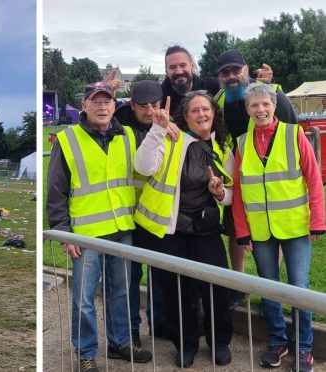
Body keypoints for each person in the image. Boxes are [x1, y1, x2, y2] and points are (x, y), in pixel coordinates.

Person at [46, 82, 152, 371]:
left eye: (107, 101)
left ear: (114, 105)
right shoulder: (68, 140)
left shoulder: (128, 136)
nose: (102, 106)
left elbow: (145, 169)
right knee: (83, 298)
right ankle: (87, 352)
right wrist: (64, 232)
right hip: (86, 235)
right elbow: (56, 191)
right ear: (84, 106)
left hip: (121, 229)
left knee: (120, 291)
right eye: (96, 102)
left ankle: (119, 343)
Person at [134, 91, 234, 368]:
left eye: (206, 109)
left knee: (216, 287)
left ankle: (220, 342)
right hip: (170, 229)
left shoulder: (223, 147)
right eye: (194, 111)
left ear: (214, 113)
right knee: (176, 291)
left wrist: (219, 193)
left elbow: (232, 195)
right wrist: (158, 128)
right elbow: (142, 166)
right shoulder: (171, 138)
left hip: (205, 229)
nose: (202, 115)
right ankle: (186, 345)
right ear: (185, 117)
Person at [232, 83, 324, 372]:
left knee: (299, 288)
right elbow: (237, 191)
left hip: (296, 227)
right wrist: (242, 230)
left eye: (265, 104)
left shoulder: (294, 134)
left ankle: (304, 349)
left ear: (274, 106)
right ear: (247, 110)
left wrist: (318, 221)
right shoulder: (242, 143)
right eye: (254, 105)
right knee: (267, 287)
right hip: (260, 232)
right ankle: (277, 342)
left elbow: (314, 180)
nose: (260, 110)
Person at [214, 49, 298, 308]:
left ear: (246, 70)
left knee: (272, 229)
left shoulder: (274, 95)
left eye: (235, 70)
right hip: (235, 176)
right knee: (233, 230)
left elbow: (293, 135)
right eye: (225, 72)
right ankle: (239, 284)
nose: (231, 76)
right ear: (219, 76)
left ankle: (270, 287)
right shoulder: (219, 99)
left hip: (270, 176)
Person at [113, 80, 172, 344]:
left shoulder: (169, 127)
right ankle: (132, 329)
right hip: (127, 214)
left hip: (155, 213)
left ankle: (160, 323)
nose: (150, 111)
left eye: (155, 105)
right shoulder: (119, 130)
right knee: (130, 277)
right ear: (132, 105)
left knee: (159, 273)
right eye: (143, 106)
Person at [161, 45, 273, 117]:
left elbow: (238, 83)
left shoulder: (212, 86)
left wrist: (265, 81)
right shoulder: (158, 96)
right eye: (172, 67)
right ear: (166, 70)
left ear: (192, 66)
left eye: (183, 65)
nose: (179, 71)